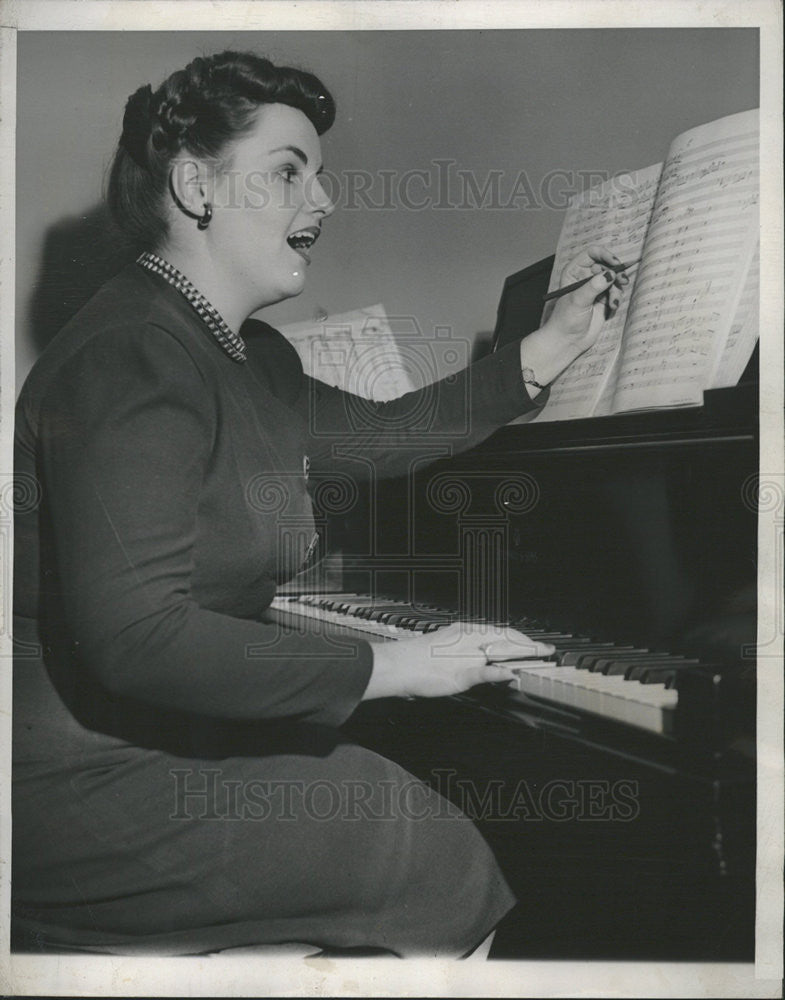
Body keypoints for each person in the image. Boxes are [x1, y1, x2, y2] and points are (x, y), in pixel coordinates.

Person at [12, 50, 626, 957]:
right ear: (195, 187)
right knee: (414, 841)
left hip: (166, 737)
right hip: (65, 781)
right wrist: (389, 665)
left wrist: (547, 346)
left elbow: (390, 435)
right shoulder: (127, 354)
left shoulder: (247, 356)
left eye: (321, 176)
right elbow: (135, 637)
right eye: (288, 173)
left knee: (390, 800)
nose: (324, 201)